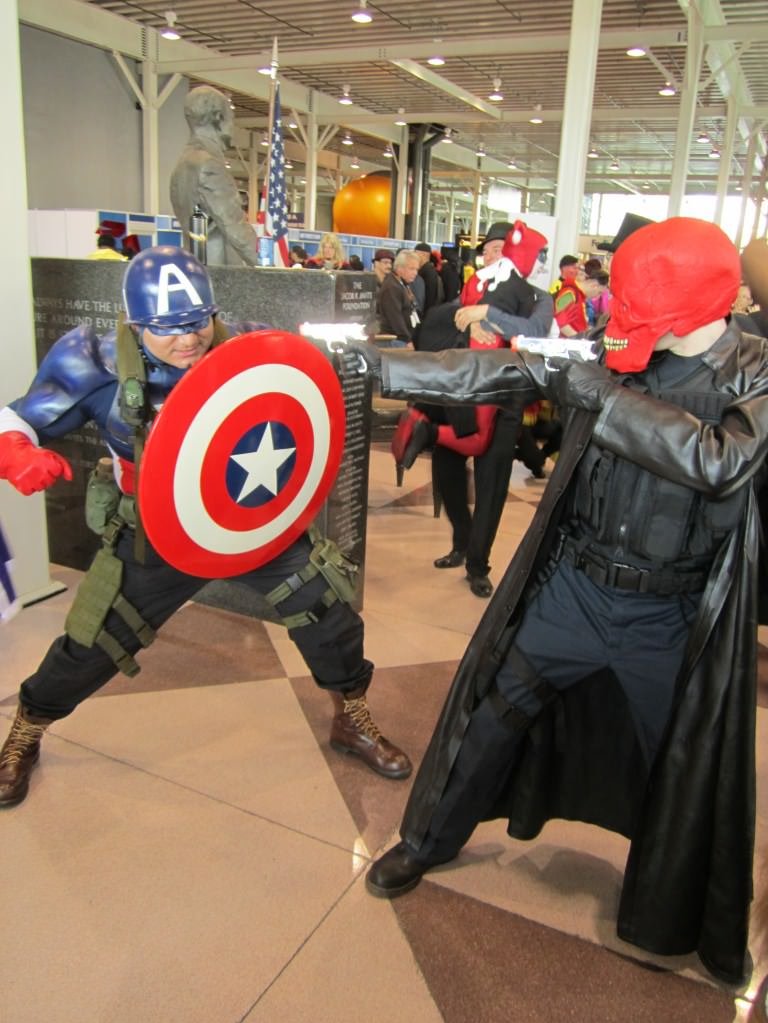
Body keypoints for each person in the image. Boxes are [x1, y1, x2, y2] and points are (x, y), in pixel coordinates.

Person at [350, 217, 766, 986]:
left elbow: (720, 459)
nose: (617, 325)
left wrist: (602, 399)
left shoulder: (754, 373)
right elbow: (503, 373)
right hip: (575, 586)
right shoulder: (614, 353)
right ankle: (431, 840)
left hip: (671, 616)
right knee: (493, 713)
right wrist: (377, 367)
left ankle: (681, 914)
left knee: (678, 765)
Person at [0, 246, 412, 808]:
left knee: (328, 611)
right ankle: (26, 730)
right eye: (167, 329)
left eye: (197, 322)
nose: (188, 340)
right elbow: (19, 414)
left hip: (252, 524)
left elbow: (302, 399)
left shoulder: (248, 345)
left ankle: (352, 715)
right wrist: (14, 448)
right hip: (154, 534)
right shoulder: (93, 361)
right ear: (134, 322)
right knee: (94, 638)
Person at [402, 221, 551, 598]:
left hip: (507, 399)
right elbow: (436, 320)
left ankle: (477, 564)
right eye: (488, 249)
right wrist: (465, 324)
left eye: (500, 248)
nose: (492, 254)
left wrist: (488, 315)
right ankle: (462, 542)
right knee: (447, 468)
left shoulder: (538, 297)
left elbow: (534, 330)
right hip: (461, 393)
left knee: (492, 485)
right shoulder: (471, 289)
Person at [170, 85, 260, 267]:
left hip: (197, 267)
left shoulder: (183, 163)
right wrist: (277, 271)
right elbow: (236, 229)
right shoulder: (208, 164)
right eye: (231, 118)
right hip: (220, 273)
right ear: (219, 117)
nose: (233, 126)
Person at [377, 250, 421, 347]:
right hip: (394, 340)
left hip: (400, 339)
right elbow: (395, 317)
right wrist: (407, 340)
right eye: (412, 269)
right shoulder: (392, 287)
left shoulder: (402, 284)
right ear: (400, 268)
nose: (415, 273)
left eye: (416, 269)